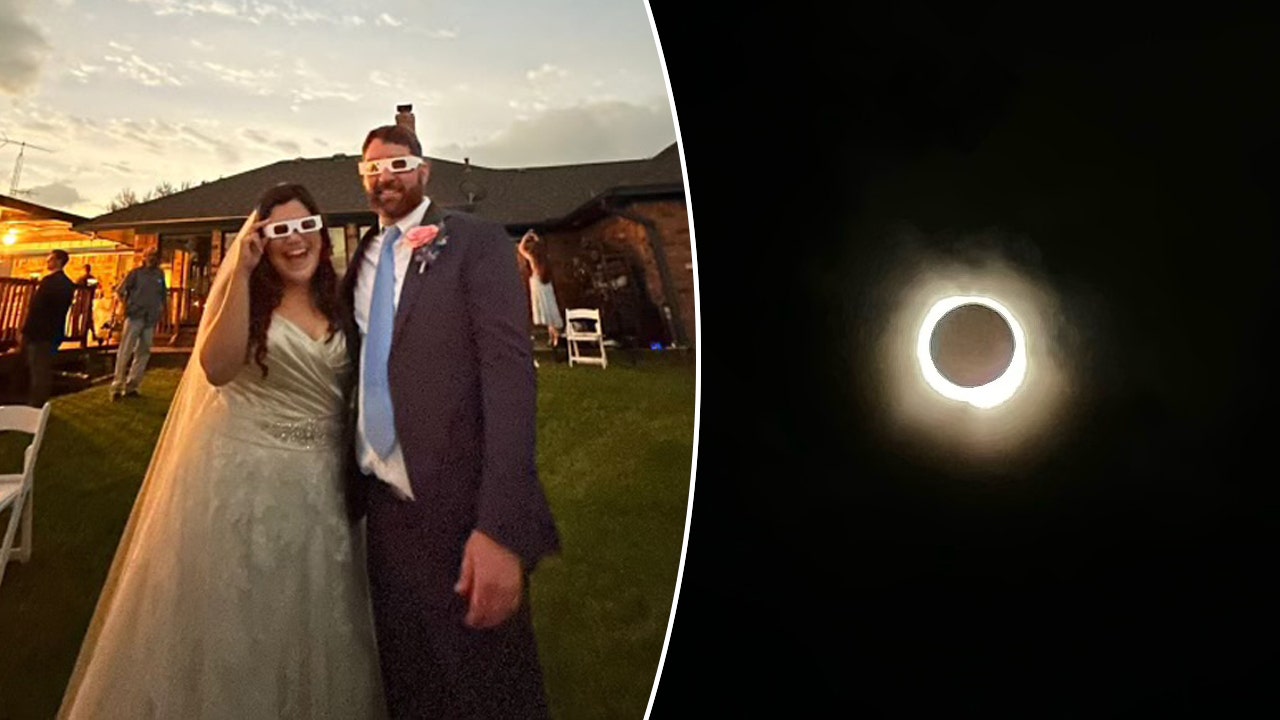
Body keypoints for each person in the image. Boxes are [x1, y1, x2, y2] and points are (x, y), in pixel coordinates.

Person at [59, 183, 387, 719]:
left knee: (321, 623)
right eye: (279, 230)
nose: (295, 240)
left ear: (322, 236)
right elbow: (216, 367)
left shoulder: (341, 302)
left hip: (327, 487)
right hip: (252, 483)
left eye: (305, 226)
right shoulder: (249, 299)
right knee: (246, 626)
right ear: (260, 241)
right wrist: (238, 273)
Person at [341, 123, 561, 718]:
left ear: (424, 170)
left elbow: (511, 381)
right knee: (410, 685)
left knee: (488, 689)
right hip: (381, 513)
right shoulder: (360, 259)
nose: (384, 177)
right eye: (372, 169)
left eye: (398, 163)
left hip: (461, 511)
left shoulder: (476, 242)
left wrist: (500, 527)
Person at [21, 249, 77, 407]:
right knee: (44, 368)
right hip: (54, 331)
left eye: (50, 259)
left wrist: (25, 329)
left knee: (37, 368)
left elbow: (36, 308)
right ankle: (41, 402)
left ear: (58, 261)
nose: (47, 261)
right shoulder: (67, 285)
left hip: (39, 331)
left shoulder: (48, 282)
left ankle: (35, 404)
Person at [109, 248, 167, 400]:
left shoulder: (159, 275)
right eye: (149, 255)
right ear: (144, 257)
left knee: (144, 351)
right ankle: (117, 386)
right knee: (126, 350)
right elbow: (120, 291)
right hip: (135, 315)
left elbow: (162, 295)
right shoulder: (135, 274)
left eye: (155, 256)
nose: (152, 258)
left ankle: (132, 386)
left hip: (150, 318)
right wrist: (125, 306)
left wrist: (161, 310)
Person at [518, 229, 565, 350]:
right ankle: (554, 337)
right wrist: (536, 239)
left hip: (537, 284)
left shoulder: (533, 258)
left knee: (544, 308)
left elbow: (521, 249)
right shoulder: (545, 261)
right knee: (549, 308)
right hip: (545, 285)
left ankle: (554, 337)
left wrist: (527, 236)